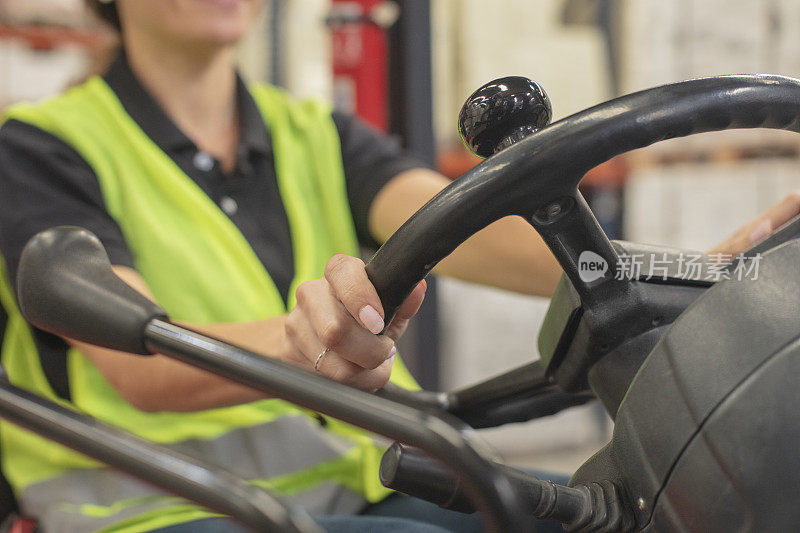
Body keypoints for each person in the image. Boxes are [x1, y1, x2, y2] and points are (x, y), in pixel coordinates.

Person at [0, 0, 796, 531]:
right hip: (166, 507)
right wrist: (303, 339)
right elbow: (141, 366)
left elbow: (489, 219)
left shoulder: (311, 131)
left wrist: (698, 268)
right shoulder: (41, 147)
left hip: (376, 475)